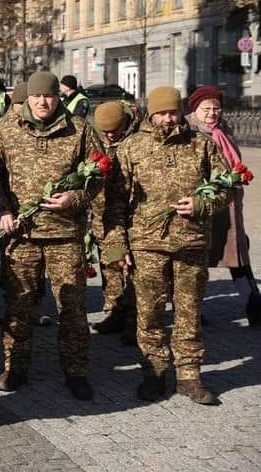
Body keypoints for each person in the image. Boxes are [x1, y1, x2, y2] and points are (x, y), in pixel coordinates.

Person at [104, 87, 231, 405]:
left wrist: (202, 203)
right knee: (150, 313)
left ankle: (190, 376)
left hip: (191, 243)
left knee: (189, 312)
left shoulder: (201, 144)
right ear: (151, 114)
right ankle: (154, 373)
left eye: (172, 112)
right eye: (161, 113)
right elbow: (115, 202)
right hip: (147, 245)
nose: (168, 118)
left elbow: (227, 186)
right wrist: (117, 248)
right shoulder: (132, 147)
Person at [0, 71, 100, 401]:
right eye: (36, 96)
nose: (42, 102)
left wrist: (75, 197)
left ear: (57, 97)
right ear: (27, 98)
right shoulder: (3, 129)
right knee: (19, 305)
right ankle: (15, 367)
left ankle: (76, 371)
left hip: (65, 233)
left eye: (48, 96)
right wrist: (2, 210)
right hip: (21, 233)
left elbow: (100, 173)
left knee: (72, 306)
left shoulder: (80, 129)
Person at [185, 86, 261, 325]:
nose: (212, 113)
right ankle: (190, 310)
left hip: (228, 204)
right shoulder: (187, 130)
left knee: (237, 252)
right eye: (206, 108)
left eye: (216, 108)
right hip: (201, 203)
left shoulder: (223, 129)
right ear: (195, 109)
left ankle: (254, 305)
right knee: (195, 257)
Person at [89, 101, 139, 342]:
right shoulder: (93, 139)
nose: (109, 135)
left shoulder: (138, 139)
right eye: (105, 131)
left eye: (114, 130)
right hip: (104, 216)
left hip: (134, 215)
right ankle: (114, 311)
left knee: (133, 268)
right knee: (111, 264)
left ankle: (134, 320)